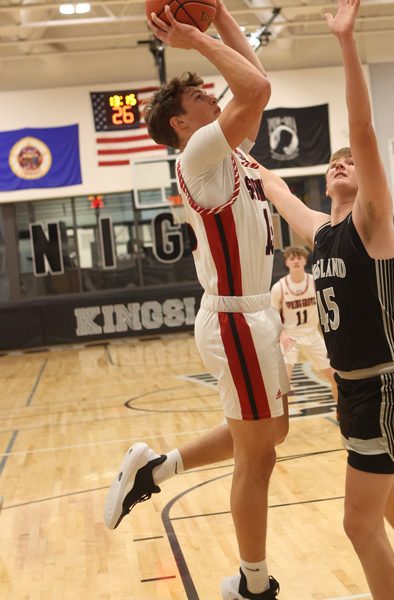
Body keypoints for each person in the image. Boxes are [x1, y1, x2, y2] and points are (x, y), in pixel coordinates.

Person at [259, 1, 394, 598]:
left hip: (388, 380)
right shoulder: (320, 233)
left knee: (356, 520)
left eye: (351, 160)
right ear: (326, 182)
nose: (344, 162)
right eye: (335, 162)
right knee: (384, 488)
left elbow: (364, 130)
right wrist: (220, 140)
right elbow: (272, 186)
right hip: (353, 383)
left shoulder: (372, 221)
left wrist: (346, 44)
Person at [103, 4, 288, 599]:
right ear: (183, 125)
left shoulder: (224, 149)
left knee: (272, 432)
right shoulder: (199, 157)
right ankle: (253, 586)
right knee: (257, 459)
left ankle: (155, 469)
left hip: (255, 313)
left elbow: (253, 78)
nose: (215, 97)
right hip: (236, 317)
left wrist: (220, 12)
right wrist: (192, 37)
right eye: (203, 99)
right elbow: (255, 86)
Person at [270, 246, 338, 404]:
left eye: (299, 258)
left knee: (336, 378)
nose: (296, 261)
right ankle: (278, 418)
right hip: (289, 337)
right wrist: (281, 334)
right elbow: (272, 315)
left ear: (305, 260)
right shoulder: (279, 287)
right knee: (284, 382)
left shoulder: (315, 281)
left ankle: (341, 412)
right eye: (292, 258)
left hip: (312, 335)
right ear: (286, 262)